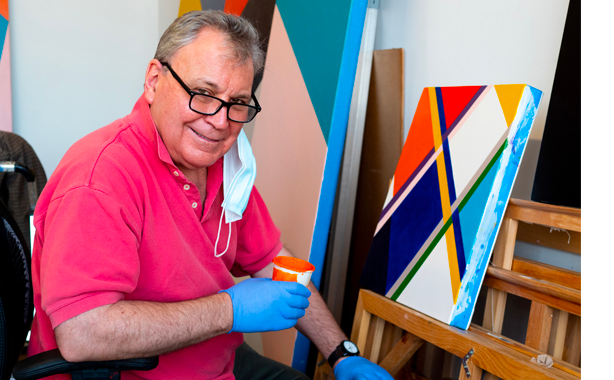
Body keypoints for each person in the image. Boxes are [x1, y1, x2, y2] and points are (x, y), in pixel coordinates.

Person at [28, 10, 394, 380]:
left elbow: (275, 262)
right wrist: (229, 311)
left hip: (214, 356)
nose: (220, 121)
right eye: (203, 94)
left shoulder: (224, 167)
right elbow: (82, 334)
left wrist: (342, 353)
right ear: (154, 80)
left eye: (238, 103)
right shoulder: (100, 178)